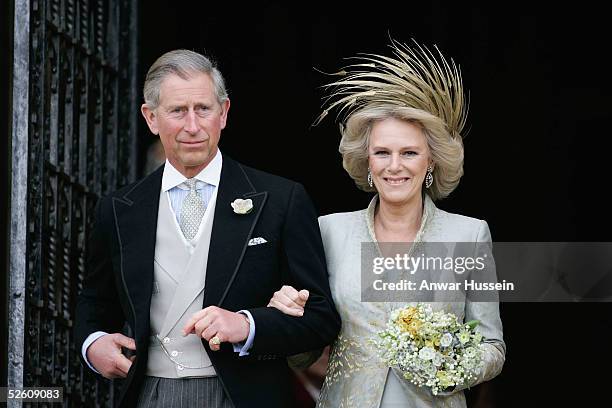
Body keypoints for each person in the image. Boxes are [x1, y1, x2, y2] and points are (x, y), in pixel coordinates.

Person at [74, 49, 340, 408]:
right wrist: (94, 345)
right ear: (151, 118)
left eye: (203, 109)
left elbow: (321, 318)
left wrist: (248, 326)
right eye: (177, 111)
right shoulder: (119, 209)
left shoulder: (281, 200)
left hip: (247, 395)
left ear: (224, 113)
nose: (193, 126)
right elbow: (95, 303)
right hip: (152, 394)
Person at [268, 40, 506, 407]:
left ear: (430, 163)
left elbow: (493, 347)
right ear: (367, 161)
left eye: (409, 152)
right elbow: (303, 352)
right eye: (382, 152)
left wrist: (454, 364)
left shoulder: (468, 235)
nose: (394, 166)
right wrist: (288, 318)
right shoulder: (329, 232)